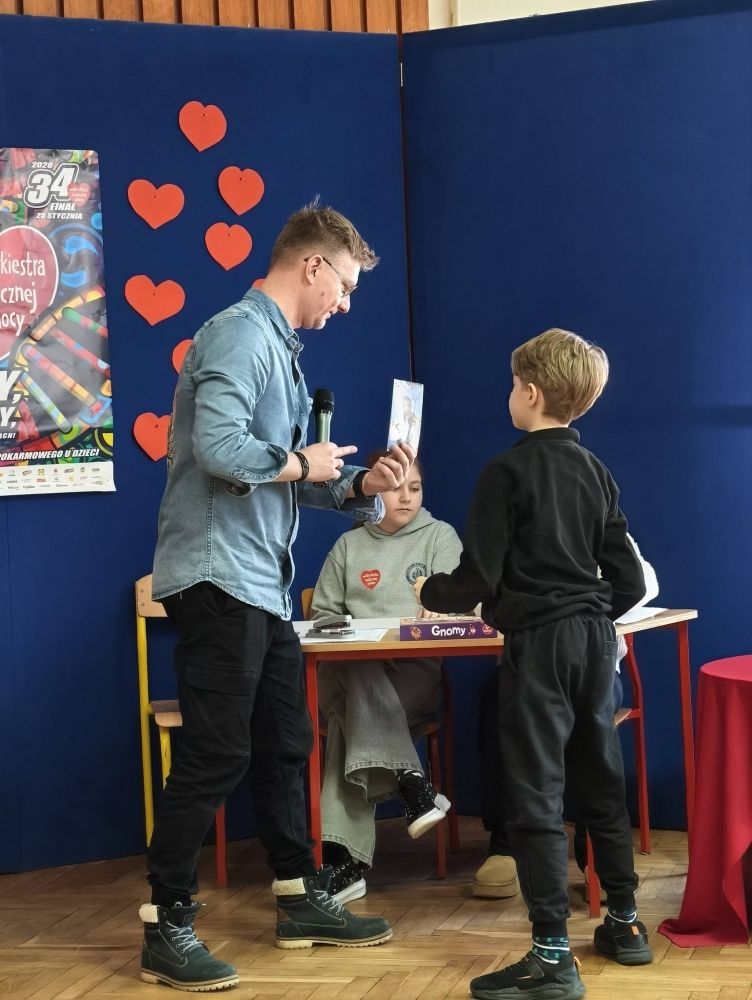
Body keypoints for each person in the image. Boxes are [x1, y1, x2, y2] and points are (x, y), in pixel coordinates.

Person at [139, 200, 415, 992]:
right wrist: (303, 463)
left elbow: (289, 474)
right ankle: (165, 925)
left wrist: (359, 484)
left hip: (261, 582)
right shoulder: (238, 334)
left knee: (286, 741)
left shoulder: (279, 351)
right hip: (215, 573)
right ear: (312, 265)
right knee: (218, 750)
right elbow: (220, 449)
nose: (346, 303)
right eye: (346, 286)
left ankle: (299, 897)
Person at [415, 328, 653, 1000]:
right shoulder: (595, 470)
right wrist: (589, 610)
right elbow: (630, 581)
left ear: (530, 392)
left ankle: (552, 955)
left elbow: (479, 576)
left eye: (511, 386)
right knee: (601, 783)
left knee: (537, 793)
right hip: (596, 643)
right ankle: (625, 926)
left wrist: (431, 592)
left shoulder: (505, 472)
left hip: (540, 647)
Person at [311, 452, 462, 903]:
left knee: (347, 722)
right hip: (347, 671)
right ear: (375, 489)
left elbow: (465, 603)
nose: (406, 497)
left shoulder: (440, 537)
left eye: (414, 487)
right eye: (396, 488)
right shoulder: (348, 546)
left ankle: (344, 862)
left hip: (413, 673)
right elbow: (321, 616)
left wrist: (445, 608)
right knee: (358, 668)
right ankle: (412, 781)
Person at [473, 541, 659, 901]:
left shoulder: (602, 524)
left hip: (595, 665)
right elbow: (481, 595)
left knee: (588, 718)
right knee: (496, 702)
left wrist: (576, 601)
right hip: (525, 668)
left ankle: (595, 850)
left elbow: (644, 582)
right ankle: (505, 844)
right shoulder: (512, 530)